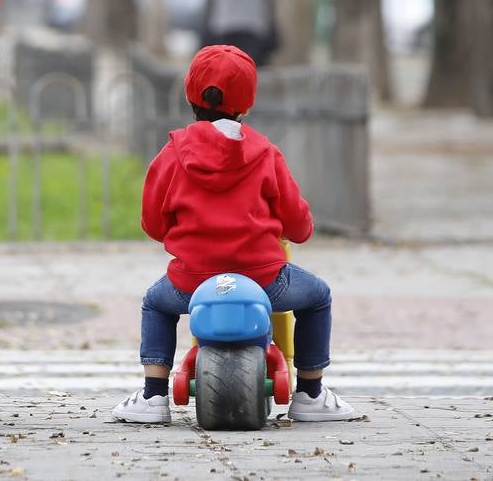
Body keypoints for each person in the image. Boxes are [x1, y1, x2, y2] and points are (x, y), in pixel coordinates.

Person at [111, 45, 356, 424]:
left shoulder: (172, 155)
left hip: (191, 282)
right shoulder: (266, 154)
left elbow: (153, 224)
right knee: (317, 297)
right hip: (264, 280)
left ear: (191, 95)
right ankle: (310, 393)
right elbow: (297, 225)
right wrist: (299, 226)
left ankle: (154, 396)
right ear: (248, 103)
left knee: (155, 304)